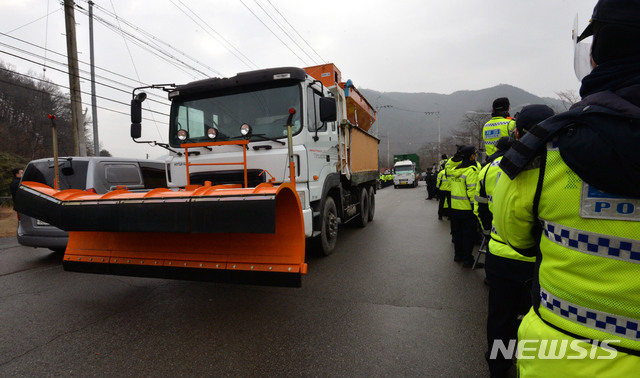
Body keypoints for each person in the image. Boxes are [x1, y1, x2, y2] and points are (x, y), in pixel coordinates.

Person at [493, 1, 640, 375]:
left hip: (560, 359)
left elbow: (515, 234)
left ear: (594, 56)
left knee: (501, 323)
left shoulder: (543, 151)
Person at [476, 106, 554, 378]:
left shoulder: (498, 166)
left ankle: (499, 367)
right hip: (547, 264)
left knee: (501, 319)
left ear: (518, 132)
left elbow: (486, 206)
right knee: (542, 320)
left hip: (503, 255)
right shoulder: (565, 165)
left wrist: (486, 232)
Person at [448, 145, 481, 267]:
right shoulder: (471, 171)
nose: (476, 155)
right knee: (468, 236)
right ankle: (468, 260)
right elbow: (472, 192)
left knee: (457, 234)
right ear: (471, 156)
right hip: (467, 209)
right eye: (475, 153)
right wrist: (476, 209)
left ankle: (458, 255)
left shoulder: (455, 170)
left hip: (455, 208)